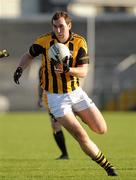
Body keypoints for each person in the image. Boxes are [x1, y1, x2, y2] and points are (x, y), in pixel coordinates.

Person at [13, 11, 118, 176]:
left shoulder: (79, 42)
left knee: (101, 129)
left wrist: (68, 70)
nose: (58, 30)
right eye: (55, 27)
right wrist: (20, 68)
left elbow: (84, 72)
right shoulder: (45, 41)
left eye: (61, 26)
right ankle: (108, 168)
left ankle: (76, 112)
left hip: (76, 93)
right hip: (56, 98)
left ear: (69, 26)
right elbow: (28, 55)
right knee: (81, 135)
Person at [37, 66, 69, 160]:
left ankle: (88, 146)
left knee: (72, 125)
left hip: (67, 96)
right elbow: (41, 83)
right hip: (51, 99)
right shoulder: (42, 68)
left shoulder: (64, 65)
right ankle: (64, 154)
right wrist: (40, 97)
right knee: (55, 126)